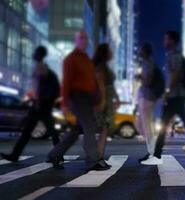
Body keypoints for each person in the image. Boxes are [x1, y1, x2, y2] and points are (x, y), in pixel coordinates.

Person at [141, 31, 185, 165]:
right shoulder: (173, 55)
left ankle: (158, 156)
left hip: (176, 96)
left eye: (166, 39)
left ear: (172, 41)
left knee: (166, 125)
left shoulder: (174, 56)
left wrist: (167, 92)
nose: (164, 41)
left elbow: (176, 75)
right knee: (181, 125)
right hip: (178, 96)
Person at [47, 31, 110, 171]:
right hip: (77, 98)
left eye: (86, 38)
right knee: (89, 128)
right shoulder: (70, 59)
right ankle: (93, 162)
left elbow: (92, 81)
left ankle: (54, 155)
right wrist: (64, 105)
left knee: (76, 131)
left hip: (88, 98)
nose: (84, 40)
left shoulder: (86, 59)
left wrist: (98, 99)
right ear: (75, 40)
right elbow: (66, 83)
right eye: (81, 38)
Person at [1, 46, 60, 162]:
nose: (33, 54)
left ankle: (15, 155)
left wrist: (35, 100)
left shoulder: (41, 67)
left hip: (40, 106)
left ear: (39, 55)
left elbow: (39, 88)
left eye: (35, 52)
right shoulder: (43, 68)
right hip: (42, 105)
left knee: (37, 131)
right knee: (36, 131)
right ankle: (15, 155)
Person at [93, 43, 120, 159]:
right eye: (109, 50)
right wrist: (103, 101)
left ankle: (99, 156)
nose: (111, 53)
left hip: (107, 100)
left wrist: (116, 98)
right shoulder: (100, 67)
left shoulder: (105, 66)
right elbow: (101, 86)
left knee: (105, 129)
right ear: (105, 53)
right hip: (103, 100)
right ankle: (98, 157)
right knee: (103, 129)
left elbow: (110, 86)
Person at [135, 43, 162, 162]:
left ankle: (152, 152)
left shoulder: (148, 63)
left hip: (147, 97)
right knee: (141, 124)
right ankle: (152, 150)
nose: (139, 52)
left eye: (141, 50)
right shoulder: (146, 63)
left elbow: (148, 80)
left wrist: (139, 77)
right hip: (146, 97)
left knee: (146, 125)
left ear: (144, 52)